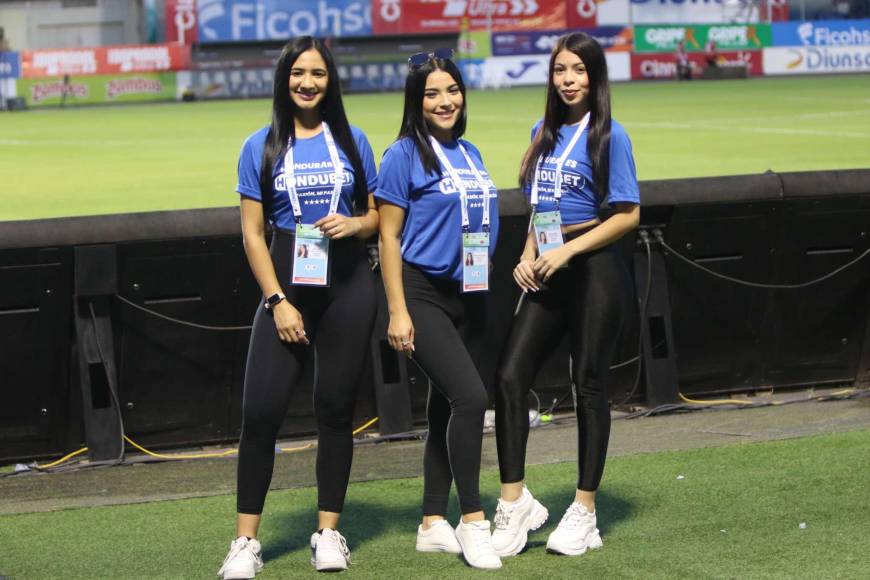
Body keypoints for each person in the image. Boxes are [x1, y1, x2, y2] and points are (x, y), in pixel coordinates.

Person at [218, 36, 379, 579]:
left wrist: (355, 223)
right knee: (260, 414)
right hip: (286, 287)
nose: (307, 83)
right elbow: (252, 233)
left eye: (318, 74)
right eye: (298, 73)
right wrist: (278, 301)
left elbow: (377, 216)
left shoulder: (354, 141)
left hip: (349, 286)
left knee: (335, 410)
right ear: (283, 79)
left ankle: (328, 533)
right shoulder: (260, 145)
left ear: (330, 81)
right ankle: (245, 542)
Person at [491, 32, 640, 558]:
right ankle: (515, 503)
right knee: (509, 376)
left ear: (595, 77)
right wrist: (528, 251)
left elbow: (628, 214)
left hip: (595, 266)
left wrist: (568, 251)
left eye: (579, 70)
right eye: (560, 70)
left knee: (589, 384)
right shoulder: (542, 132)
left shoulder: (610, 136)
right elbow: (541, 206)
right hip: (549, 265)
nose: (568, 80)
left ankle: (584, 511)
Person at [375, 49, 502, 570]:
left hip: (470, 292)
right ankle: (473, 520)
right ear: (416, 101)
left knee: (445, 406)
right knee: (471, 398)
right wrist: (397, 311)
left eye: (452, 90)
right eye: (432, 93)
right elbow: (387, 236)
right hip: (421, 291)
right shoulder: (402, 154)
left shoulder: (470, 151)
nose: (445, 101)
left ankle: (432, 522)